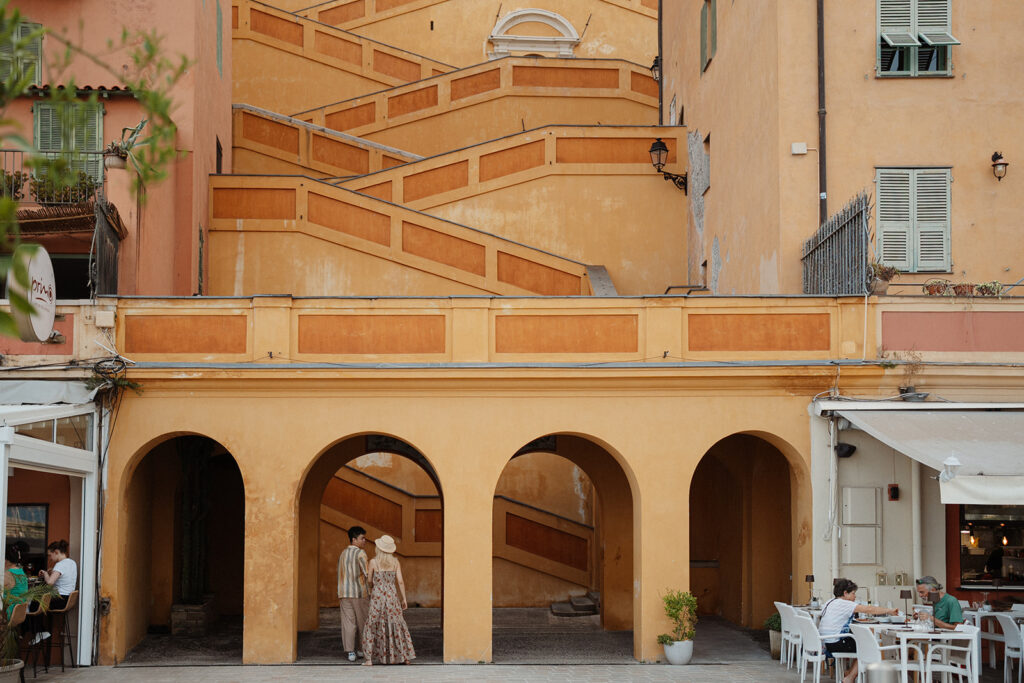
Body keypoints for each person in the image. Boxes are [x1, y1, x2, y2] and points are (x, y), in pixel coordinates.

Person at [818, 578, 899, 683]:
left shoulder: (830, 601)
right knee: (870, 646)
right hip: (836, 642)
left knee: (864, 643)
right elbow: (868, 609)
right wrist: (889, 611)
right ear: (845, 593)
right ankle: (850, 678)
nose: (855, 596)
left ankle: (850, 673)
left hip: (826, 643)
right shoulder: (844, 603)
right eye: (853, 593)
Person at [361, 535, 415, 666]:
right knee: (396, 624)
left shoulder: (373, 562)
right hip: (392, 597)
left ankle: (368, 660)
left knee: (373, 624)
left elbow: (369, 581)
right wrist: (404, 599)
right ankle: (405, 657)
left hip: (378, 597)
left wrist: (373, 587)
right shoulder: (396, 562)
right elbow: (400, 582)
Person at [32, 539, 77, 644]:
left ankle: (40, 631)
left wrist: (46, 574)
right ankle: (40, 631)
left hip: (59, 600)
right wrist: (51, 572)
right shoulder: (72, 562)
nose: (50, 558)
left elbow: (50, 583)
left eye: (50, 555)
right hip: (66, 600)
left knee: (34, 603)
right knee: (38, 602)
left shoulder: (60, 565)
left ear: (56, 552)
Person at [337, 525, 369, 662]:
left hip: (344, 592)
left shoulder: (343, 553)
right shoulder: (361, 554)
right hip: (359, 593)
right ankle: (362, 650)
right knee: (363, 622)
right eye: (362, 538)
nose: (364, 541)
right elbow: (367, 574)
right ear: (354, 539)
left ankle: (350, 652)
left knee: (348, 623)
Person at [3, 544, 28, 618]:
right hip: (18, 613)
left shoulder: (8, 574)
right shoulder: (20, 571)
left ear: (5, 560)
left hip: (7, 614)